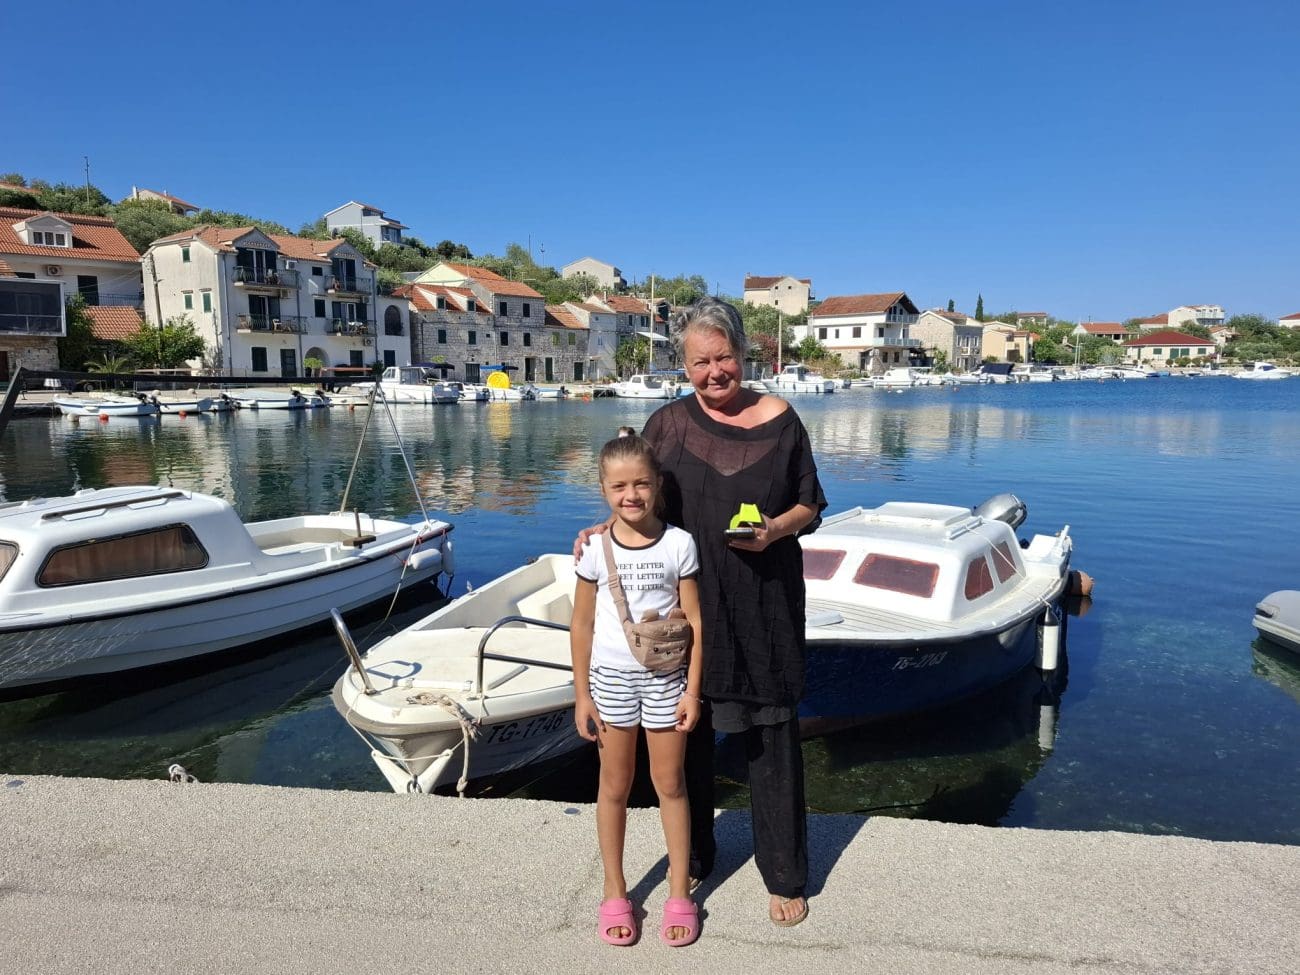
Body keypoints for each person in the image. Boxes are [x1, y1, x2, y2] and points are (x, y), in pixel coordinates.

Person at [577, 296, 826, 927]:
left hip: (765, 603)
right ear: (684, 365)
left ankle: (784, 872)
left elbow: (810, 504)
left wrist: (775, 530)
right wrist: (601, 531)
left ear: (743, 353)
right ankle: (696, 855)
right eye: (699, 362)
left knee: (772, 736)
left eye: (724, 358)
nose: (714, 372)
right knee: (687, 735)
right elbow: (636, 496)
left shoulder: (783, 420)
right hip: (686, 606)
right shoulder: (666, 425)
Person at [570, 432, 705, 947]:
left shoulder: (679, 543)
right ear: (603, 489)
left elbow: (695, 620)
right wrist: (582, 695)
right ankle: (614, 889)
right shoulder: (593, 550)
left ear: (658, 484)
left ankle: (679, 890)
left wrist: (692, 691)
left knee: (670, 783)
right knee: (614, 786)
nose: (632, 495)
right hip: (611, 681)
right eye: (620, 486)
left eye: (642, 484)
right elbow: (581, 624)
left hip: (667, 681)